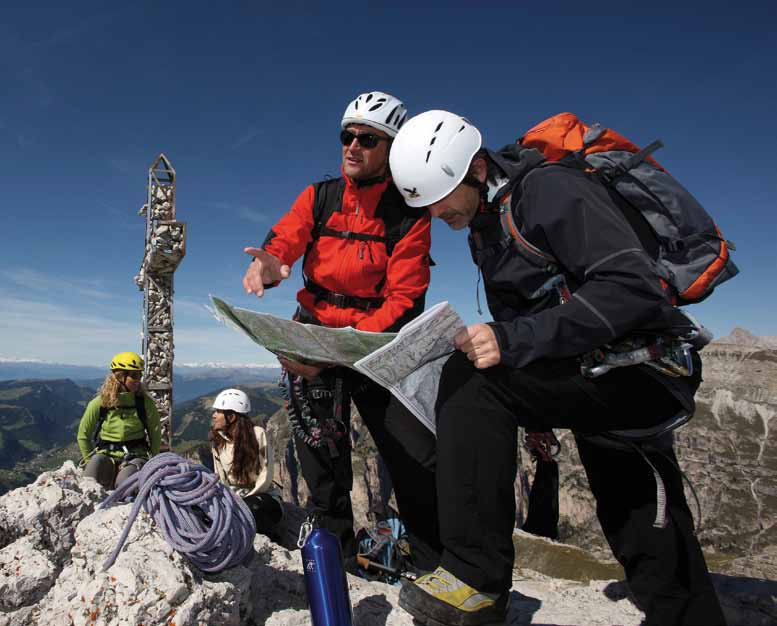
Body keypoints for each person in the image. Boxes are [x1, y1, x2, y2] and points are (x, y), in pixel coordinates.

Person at [388, 111, 726, 626]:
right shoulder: (489, 229)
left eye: (440, 196)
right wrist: (535, 412)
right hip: (601, 374)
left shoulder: (546, 190)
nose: (435, 212)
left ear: (475, 169)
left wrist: (511, 340)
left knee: (470, 380)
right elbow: (524, 321)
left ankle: (474, 578)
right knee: (642, 531)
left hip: (642, 371)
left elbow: (632, 287)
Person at [241, 92, 441, 571]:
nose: (352, 146)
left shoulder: (409, 215)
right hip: (314, 335)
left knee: (409, 450)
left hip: (376, 342)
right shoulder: (320, 197)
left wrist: (344, 349)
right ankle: (340, 563)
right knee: (321, 455)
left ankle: (437, 561)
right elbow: (285, 239)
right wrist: (270, 265)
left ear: (392, 149)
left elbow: (405, 298)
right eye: (346, 136)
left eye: (366, 139)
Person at [77, 351, 161, 490]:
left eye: (140, 375)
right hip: (105, 454)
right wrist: (88, 459)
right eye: (134, 375)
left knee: (124, 486)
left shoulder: (145, 404)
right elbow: (83, 435)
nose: (138, 380)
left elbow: (155, 435)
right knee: (88, 481)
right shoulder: (100, 403)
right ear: (120, 376)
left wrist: (151, 463)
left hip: (136, 456)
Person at [209, 388, 283, 537]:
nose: (214, 415)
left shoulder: (258, 435)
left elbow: (266, 475)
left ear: (231, 416)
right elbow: (220, 477)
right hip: (235, 496)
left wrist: (243, 501)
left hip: (262, 497)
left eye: (218, 411)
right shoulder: (218, 442)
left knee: (252, 508)